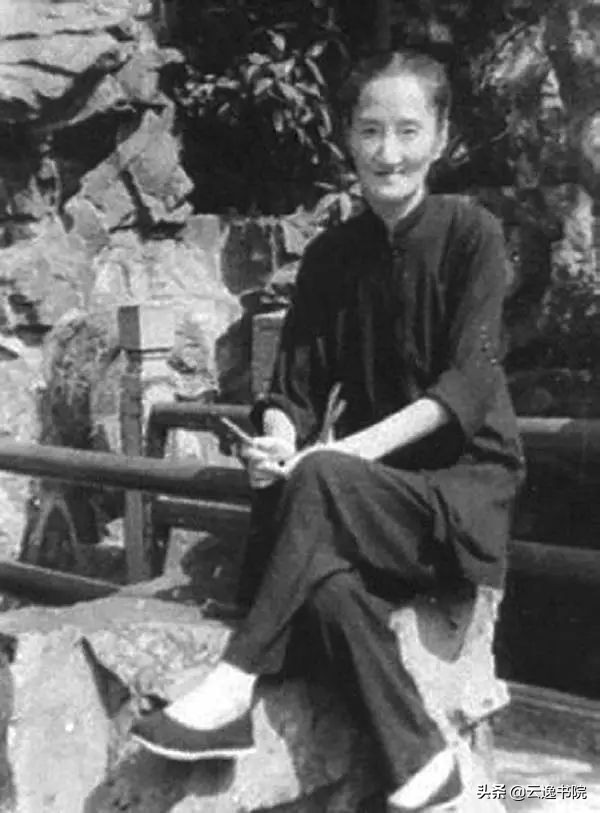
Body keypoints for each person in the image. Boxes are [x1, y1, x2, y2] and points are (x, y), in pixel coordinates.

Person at [132, 48, 525, 811]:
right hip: (362, 502)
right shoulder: (331, 256)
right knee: (325, 586)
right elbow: (294, 389)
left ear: (441, 137)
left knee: (316, 487)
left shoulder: (472, 234)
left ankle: (233, 680)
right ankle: (429, 770)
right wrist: (281, 441)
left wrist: (340, 457)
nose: (389, 152)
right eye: (370, 130)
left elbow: (468, 384)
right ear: (347, 136)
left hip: (457, 501)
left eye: (408, 131)